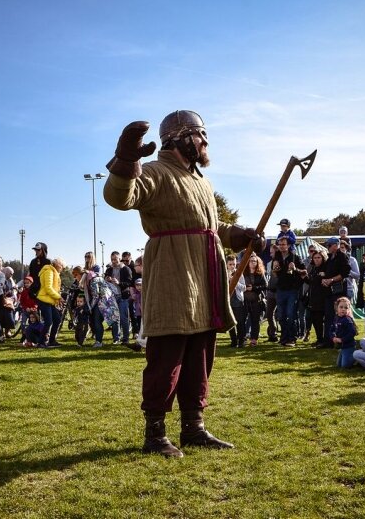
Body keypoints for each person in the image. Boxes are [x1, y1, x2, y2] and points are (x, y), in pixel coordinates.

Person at [103, 110, 263, 457]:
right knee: (167, 357)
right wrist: (127, 158)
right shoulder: (157, 173)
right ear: (179, 140)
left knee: (200, 356)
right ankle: (155, 435)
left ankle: (194, 428)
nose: (205, 142)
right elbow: (120, 198)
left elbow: (212, 227)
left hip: (206, 279)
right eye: (199, 135)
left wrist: (239, 234)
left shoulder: (202, 182)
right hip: (173, 275)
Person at [272, 236, 307, 346]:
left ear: (288, 245)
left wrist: (295, 268)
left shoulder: (295, 257)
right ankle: (284, 338)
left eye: (284, 244)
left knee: (291, 315)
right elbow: (274, 274)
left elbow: (304, 272)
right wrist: (274, 269)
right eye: (280, 244)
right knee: (281, 315)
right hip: (280, 290)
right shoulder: (276, 257)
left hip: (292, 290)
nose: (282, 246)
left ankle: (292, 338)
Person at [319, 237, 351, 349]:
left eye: (330, 245)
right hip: (329, 292)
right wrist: (324, 279)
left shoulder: (342, 256)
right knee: (328, 316)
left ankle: (341, 340)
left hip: (338, 291)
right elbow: (327, 273)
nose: (328, 247)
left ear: (336, 245)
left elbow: (345, 272)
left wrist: (331, 280)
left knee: (340, 315)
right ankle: (328, 341)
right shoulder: (329, 259)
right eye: (327, 245)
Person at [105, 251, 134, 347]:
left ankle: (125, 339)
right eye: (112, 259)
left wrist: (119, 283)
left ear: (119, 258)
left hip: (123, 297)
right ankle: (116, 338)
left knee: (124, 318)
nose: (113, 261)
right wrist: (107, 279)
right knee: (114, 318)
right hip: (112, 297)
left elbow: (129, 283)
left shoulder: (126, 269)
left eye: (115, 259)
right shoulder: (109, 269)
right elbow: (105, 280)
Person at [37, 257, 65, 348]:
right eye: (61, 266)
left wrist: (57, 299)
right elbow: (48, 288)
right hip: (44, 300)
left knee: (57, 319)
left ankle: (52, 341)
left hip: (50, 301)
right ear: (57, 265)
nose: (62, 268)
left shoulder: (54, 272)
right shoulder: (49, 271)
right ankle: (41, 342)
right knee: (48, 321)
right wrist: (59, 297)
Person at [243, 253, 267, 347]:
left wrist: (253, 288)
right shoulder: (243, 273)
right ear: (247, 262)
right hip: (244, 300)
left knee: (255, 321)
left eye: (255, 261)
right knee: (242, 320)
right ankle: (243, 338)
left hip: (256, 300)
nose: (253, 263)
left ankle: (254, 339)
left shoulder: (260, 274)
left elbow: (265, 286)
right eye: (251, 261)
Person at [305, 248, 328, 346]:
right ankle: (319, 339)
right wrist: (304, 277)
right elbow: (311, 281)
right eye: (315, 258)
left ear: (323, 258)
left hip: (323, 297)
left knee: (321, 319)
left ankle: (324, 340)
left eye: (319, 257)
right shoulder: (313, 268)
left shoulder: (326, 268)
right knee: (315, 319)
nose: (316, 259)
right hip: (313, 297)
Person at [226, 255, 247, 348]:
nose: (232, 266)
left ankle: (241, 340)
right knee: (230, 322)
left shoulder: (239, 274)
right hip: (228, 301)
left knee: (240, 322)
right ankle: (233, 341)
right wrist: (227, 278)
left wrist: (234, 281)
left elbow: (244, 288)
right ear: (226, 264)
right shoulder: (223, 273)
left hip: (238, 300)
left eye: (234, 264)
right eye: (230, 264)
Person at [331, 296, 357, 368]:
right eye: (341, 307)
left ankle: (356, 357)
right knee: (339, 365)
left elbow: (353, 332)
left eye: (346, 308)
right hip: (342, 347)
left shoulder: (347, 320)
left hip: (349, 346)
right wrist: (333, 337)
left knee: (345, 366)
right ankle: (348, 356)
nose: (343, 309)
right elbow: (332, 329)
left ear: (349, 309)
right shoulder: (336, 318)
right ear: (337, 308)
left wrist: (342, 339)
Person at [264, 244, 280, 343]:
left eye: (272, 252)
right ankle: (272, 334)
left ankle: (286, 335)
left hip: (279, 291)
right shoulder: (270, 263)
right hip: (270, 291)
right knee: (269, 314)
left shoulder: (281, 262)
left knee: (282, 314)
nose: (270, 254)